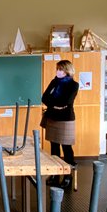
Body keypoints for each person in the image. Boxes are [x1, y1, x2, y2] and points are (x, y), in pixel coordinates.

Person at [41, 59, 79, 188]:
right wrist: (55, 105)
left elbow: (66, 101)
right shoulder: (54, 82)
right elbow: (44, 98)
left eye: (60, 69)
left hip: (66, 119)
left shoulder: (74, 85)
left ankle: (68, 176)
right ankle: (55, 174)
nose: (58, 71)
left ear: (67, 71)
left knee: (66, 147)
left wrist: (53, 103)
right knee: (54, 147)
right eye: (57, 69)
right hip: (52, 117)